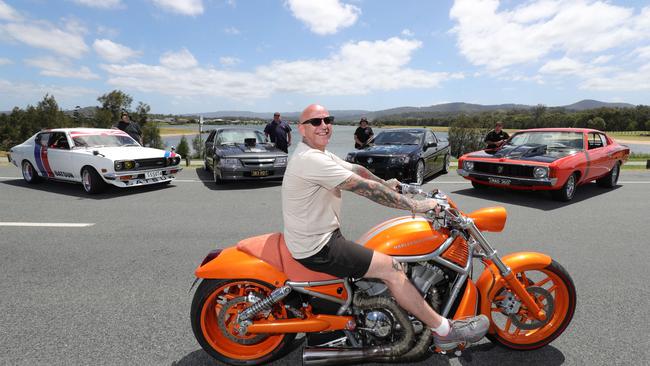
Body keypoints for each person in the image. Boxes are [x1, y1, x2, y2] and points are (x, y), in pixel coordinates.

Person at [282, 103, 489, 350]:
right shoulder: (310, 160)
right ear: (301, 129)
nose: (324, 126)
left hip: (318, 236)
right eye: (315, 122)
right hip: (319, 246)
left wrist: (388, 183)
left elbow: (356, 170)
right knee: (392, 268)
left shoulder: (318, 153)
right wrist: (417, 205)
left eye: (328, 120)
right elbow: (365, 189)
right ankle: (444, 331)